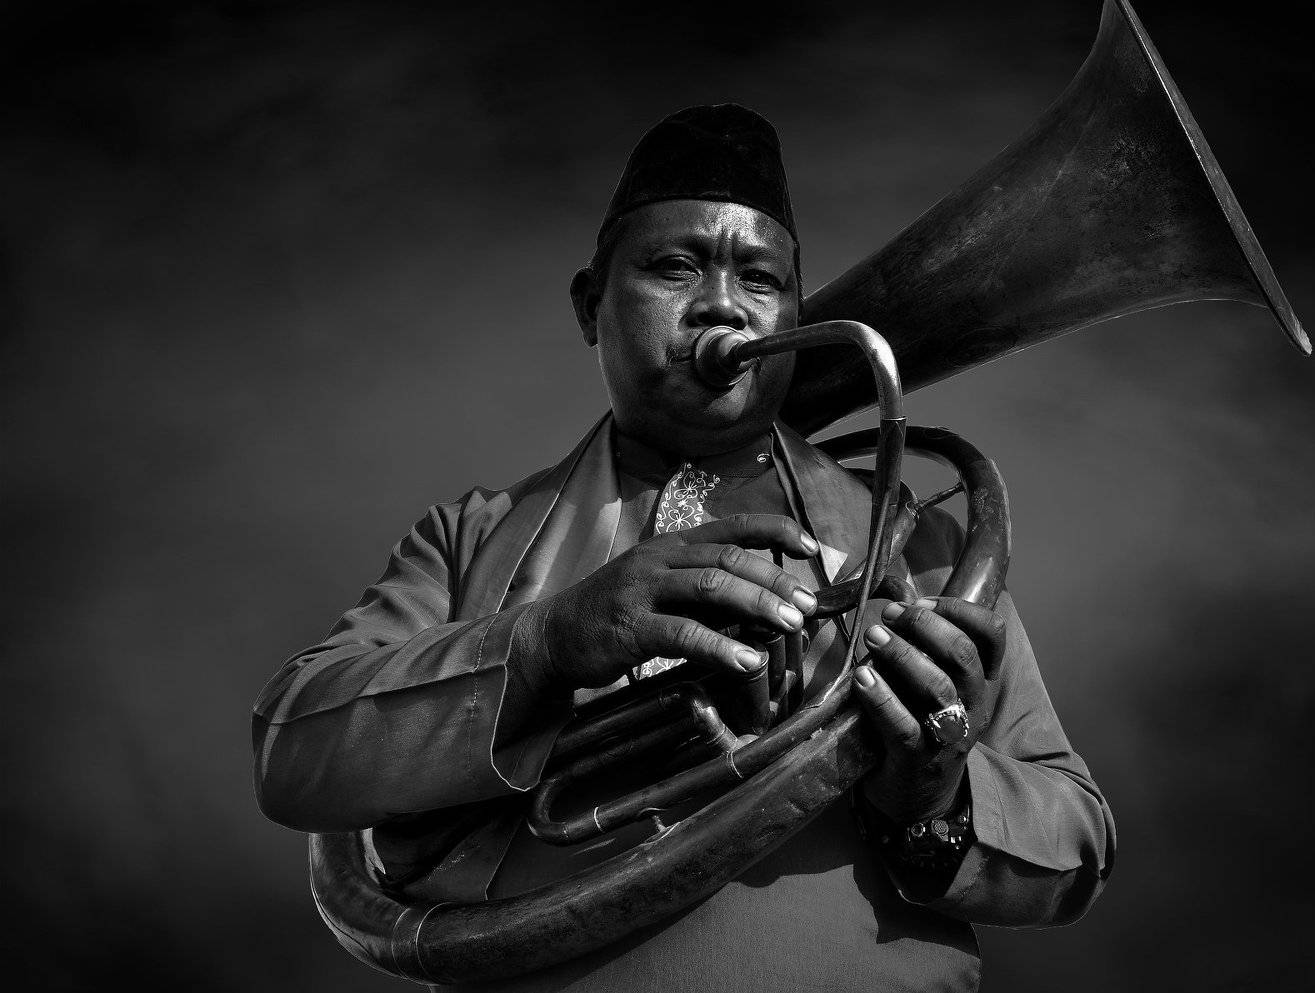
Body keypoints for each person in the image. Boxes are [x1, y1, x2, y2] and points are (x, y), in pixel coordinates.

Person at [252, 104, 1115, 993]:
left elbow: (1078, 838)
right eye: (675, 267)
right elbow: (292, 751)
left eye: (760, 278)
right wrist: (548, 642)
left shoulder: (921, 539)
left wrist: (935, 797)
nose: (722, 304)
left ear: (794, 312)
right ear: (589, 305)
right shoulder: (469, 535)